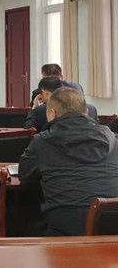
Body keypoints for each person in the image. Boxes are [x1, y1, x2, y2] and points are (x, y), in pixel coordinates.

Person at [19, 87, 118, 236]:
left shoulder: (42, 142)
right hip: (111, 232)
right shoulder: (113, 140)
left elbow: (25, 177)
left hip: (63, 233)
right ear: (86, 112)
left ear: (52, 114)